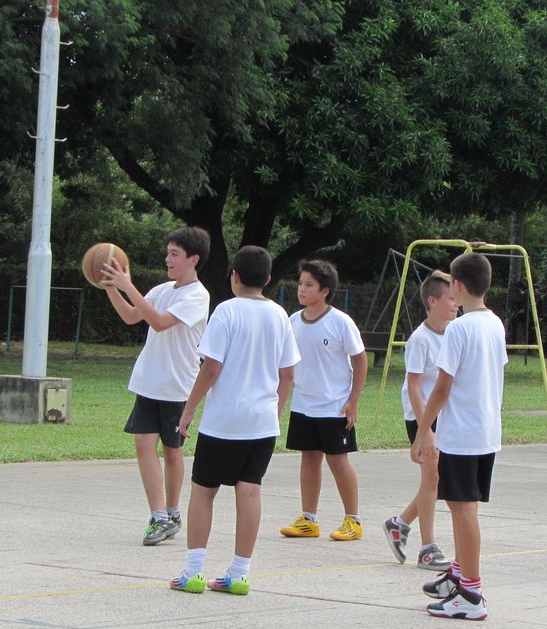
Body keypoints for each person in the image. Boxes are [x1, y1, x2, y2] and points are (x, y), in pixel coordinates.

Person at [169, 246, 299, 595]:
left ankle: (193, 571)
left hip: (224, 420)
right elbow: (288, 373)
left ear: (234, 276)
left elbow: (211, 367)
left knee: (203, 490)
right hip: (262, 421)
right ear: (268, 278)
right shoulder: (280, 315)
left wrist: (189, 409)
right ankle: (240, 574)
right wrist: (276, 411)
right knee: (250, 489)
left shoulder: (226, 311)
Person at [99, 228, 210, 547]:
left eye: (175, 254)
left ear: (193, 259)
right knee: (143, 446)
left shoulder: (197, 296)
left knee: (172, 451)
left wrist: (128, 286)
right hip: (149, 381)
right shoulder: (162, 289)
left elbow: (160, 323)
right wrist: (112, 288)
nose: (167, 259)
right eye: (168, 253)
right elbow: (131, 316)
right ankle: (159, 516)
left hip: (177, 385)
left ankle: (173, 512)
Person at [412, 252, 507, 620]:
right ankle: (459, 573)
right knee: (463, 506)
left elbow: (442, 387)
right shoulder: (494, 323)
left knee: (463, 508)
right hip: (485, 429)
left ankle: (470, 593)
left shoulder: (458, 328)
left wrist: (424, 430)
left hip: (463, 433)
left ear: (458, 286)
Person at [279, 259, 368, 541]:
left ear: (325, 290)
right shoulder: (292, 321)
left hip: (334, 406)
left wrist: (353, 400)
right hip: (303, 404)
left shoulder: (340, 322)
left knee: (338, 461)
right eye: (300, 283)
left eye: (309, 285)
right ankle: (309, 519)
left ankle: (353, 520)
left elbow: (360, 360)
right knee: (309, 458)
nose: (301, 289)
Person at [384, 270, 456, 571]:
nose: (456, 304)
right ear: (432, 301)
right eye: (450, 298)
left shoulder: (453, 333)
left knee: (436, 481)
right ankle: (427, 549)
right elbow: (413, 385)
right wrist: (424, 430)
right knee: (431, 480)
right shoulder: (420, 339)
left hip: (444, 417)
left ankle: (399, 524)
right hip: (422, 416)